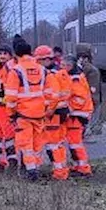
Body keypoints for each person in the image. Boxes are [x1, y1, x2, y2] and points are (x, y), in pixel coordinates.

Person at [4, 36, 48, 179]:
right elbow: (50, 93)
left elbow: (11, 97)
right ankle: (37, 167)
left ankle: (30, 171)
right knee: (37, 143)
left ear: (16, 54)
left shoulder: (16, 71)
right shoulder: (42, 70)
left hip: (23, 114)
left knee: (25, 144)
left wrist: (11, 114)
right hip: (40, 113)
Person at [42, 47, 73, 182]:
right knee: (58, 144)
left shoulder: (52, 75)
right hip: (61, 111)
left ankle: (59, 172)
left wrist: (47, 110)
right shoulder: (61, 73)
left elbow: (52, 96)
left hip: (53, 113)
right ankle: (61, 170)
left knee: (53, 144)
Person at [65, 57, 94, 177]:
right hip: (78, 114)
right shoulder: (76, 76)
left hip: (77, 115)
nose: (64, 67)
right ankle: (79, 165)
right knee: (74, 142)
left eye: (66, 65)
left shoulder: (75, 79)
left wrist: (68, 108)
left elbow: (79, 99)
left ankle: (83, 167)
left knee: (75, 142)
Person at [76, 48, 104, 137]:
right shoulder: (91, 69)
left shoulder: (87, 69)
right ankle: (87, 132)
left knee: (90, 118)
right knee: (92, 118)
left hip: (91, 98)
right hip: (93, 97)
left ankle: (86, 132)